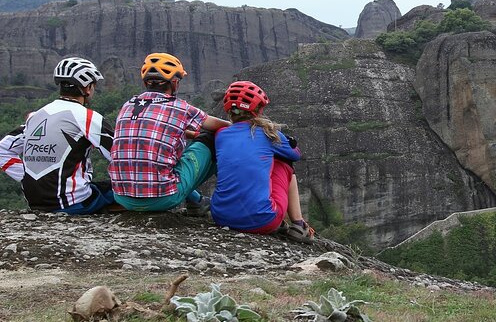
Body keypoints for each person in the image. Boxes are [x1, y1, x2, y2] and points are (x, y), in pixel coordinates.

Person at [108, 52, 230, 215]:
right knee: (210, 139)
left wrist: (187, 134)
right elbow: (220, 125)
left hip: (123, 198)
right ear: (174, 82)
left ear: (146, 83)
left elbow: (150, 129)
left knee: (164, 160)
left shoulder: (128, 105)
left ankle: (197, 201)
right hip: (163, 199)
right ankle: (226, 202)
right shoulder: (180, 107)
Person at [211, 80, 314, 243]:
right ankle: (299, 224)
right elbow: (295, 155)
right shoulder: (268, 133)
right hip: (262, 221)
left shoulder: (221, 134)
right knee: (285, 163)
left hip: (221, 217)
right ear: (258, 109)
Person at [20, 57, 116, 214]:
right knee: (126, 190)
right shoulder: (87, 117)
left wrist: (24, 176)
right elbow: (120, 155)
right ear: (87, 88)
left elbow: (4, 147)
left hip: (34, 202)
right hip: (71, 204)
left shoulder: (36, 115)